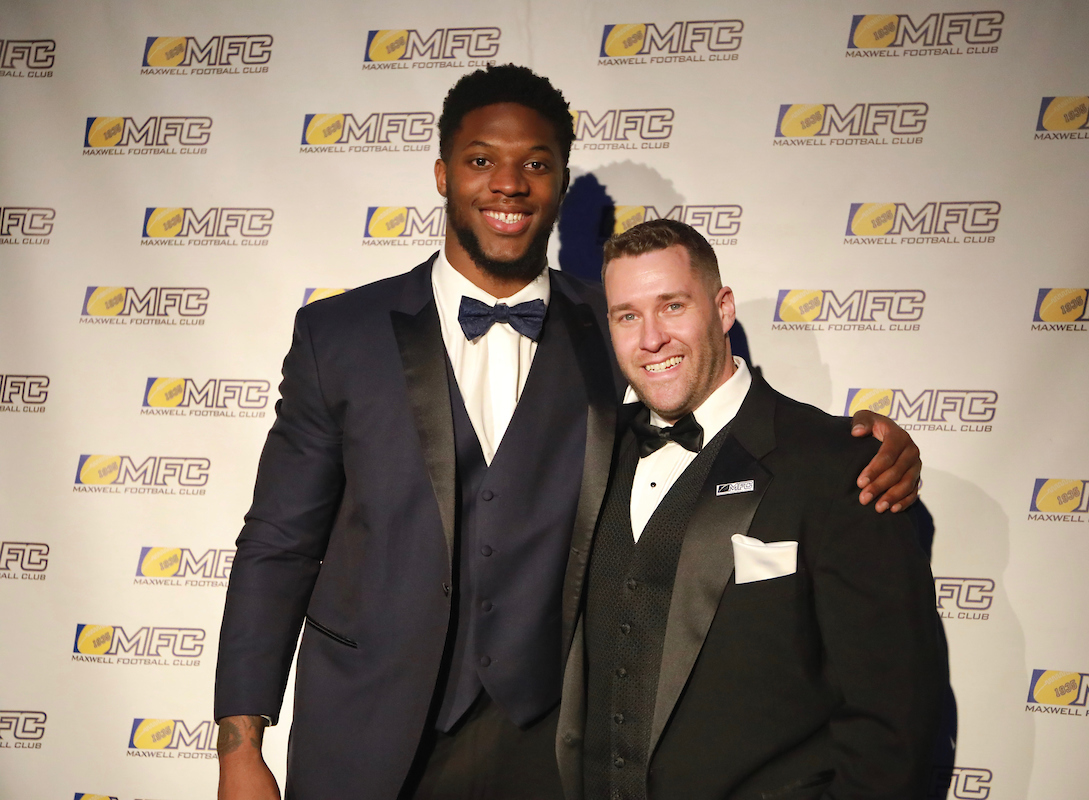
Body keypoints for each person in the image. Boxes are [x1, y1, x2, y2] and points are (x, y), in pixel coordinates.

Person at [214, 65, 922, 800]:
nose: (509, 183)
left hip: (554, 746)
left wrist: (864, 443)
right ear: (441, 173)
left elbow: (736, 419)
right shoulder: (340, 335)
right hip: (365, 734)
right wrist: (240, 745)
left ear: (558, 180)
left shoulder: (617, 323)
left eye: (537, 164)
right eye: (482, 159)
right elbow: (277, 543)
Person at [557, 219, 946, 800]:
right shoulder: (590, 456)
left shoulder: (837, 464)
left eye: (672, 306)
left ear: (723, 308)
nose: (652, 338)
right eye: (628, 316)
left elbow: (892, 713)